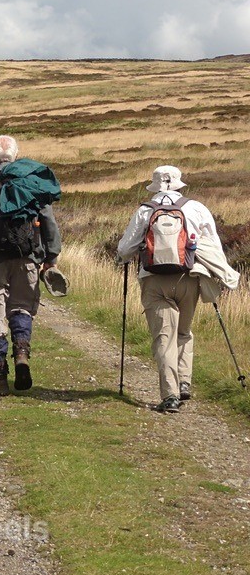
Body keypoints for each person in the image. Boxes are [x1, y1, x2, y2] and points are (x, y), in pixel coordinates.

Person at [116, 165, 237, 413]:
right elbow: (213, 245)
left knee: (164, 338)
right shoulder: (196, 208)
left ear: (155, 185)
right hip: (189, 279)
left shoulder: (145, 211)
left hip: (154, 280)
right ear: (179, 183)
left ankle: (169, 395)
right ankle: (184, 382)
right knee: (183, 332)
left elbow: (125, 249)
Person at [0, 136, 62, 395]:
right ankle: (22, 354)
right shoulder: (31, 179)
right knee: (22, 308)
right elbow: (48, 220)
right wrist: (51, 256)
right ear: (16, 155)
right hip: (28, 256)